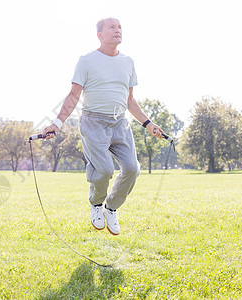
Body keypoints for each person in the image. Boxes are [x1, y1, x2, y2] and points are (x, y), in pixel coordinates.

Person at [42, 17, 164, 235]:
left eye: (120, 27)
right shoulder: (87, 61)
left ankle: (111, 207)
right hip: (93, 122)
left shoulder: (128, 62)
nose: (118, 30)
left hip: (120, 123)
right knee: (105, 169)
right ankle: (96, 204)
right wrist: (57, 123)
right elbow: (73, 96)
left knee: (132, 169)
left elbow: (130, 101)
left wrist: (148, 124)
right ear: (99, 34)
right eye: (112, 27)